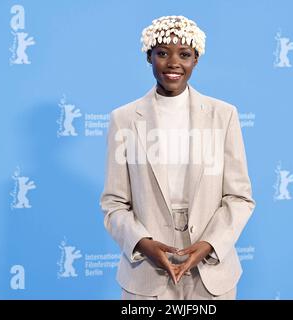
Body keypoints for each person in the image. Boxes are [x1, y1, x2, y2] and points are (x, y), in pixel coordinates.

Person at [100, 15, 256, 300]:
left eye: (184, 54)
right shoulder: (123, 119)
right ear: (149, 57)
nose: (173, 63)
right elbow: (114, 204)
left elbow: (240, 198)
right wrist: (143, 243)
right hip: (146, 275)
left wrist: (209, 244)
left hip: (212, 272)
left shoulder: (224, 115)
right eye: (162, 53)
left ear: (196, 60)